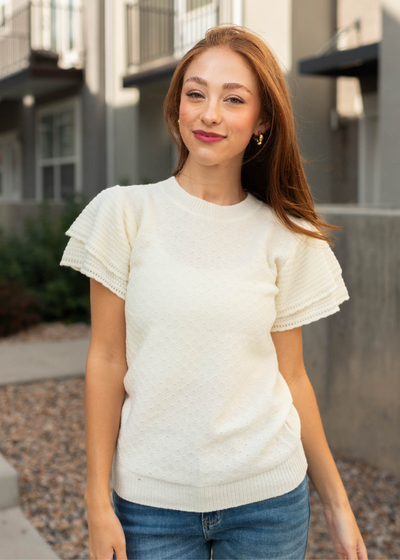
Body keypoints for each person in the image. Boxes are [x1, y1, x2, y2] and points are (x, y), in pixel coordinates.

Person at [59, 24, 368, 560]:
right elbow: (107, 360)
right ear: (177, 104)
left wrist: (339, 507)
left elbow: (291, 377)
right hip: (150, 509)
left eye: (233, 99)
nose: (209, 114)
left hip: (269, 505)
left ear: (262, 120)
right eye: (196, 93)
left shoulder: (284, 234)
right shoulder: (124, 214)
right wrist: (96, 502)